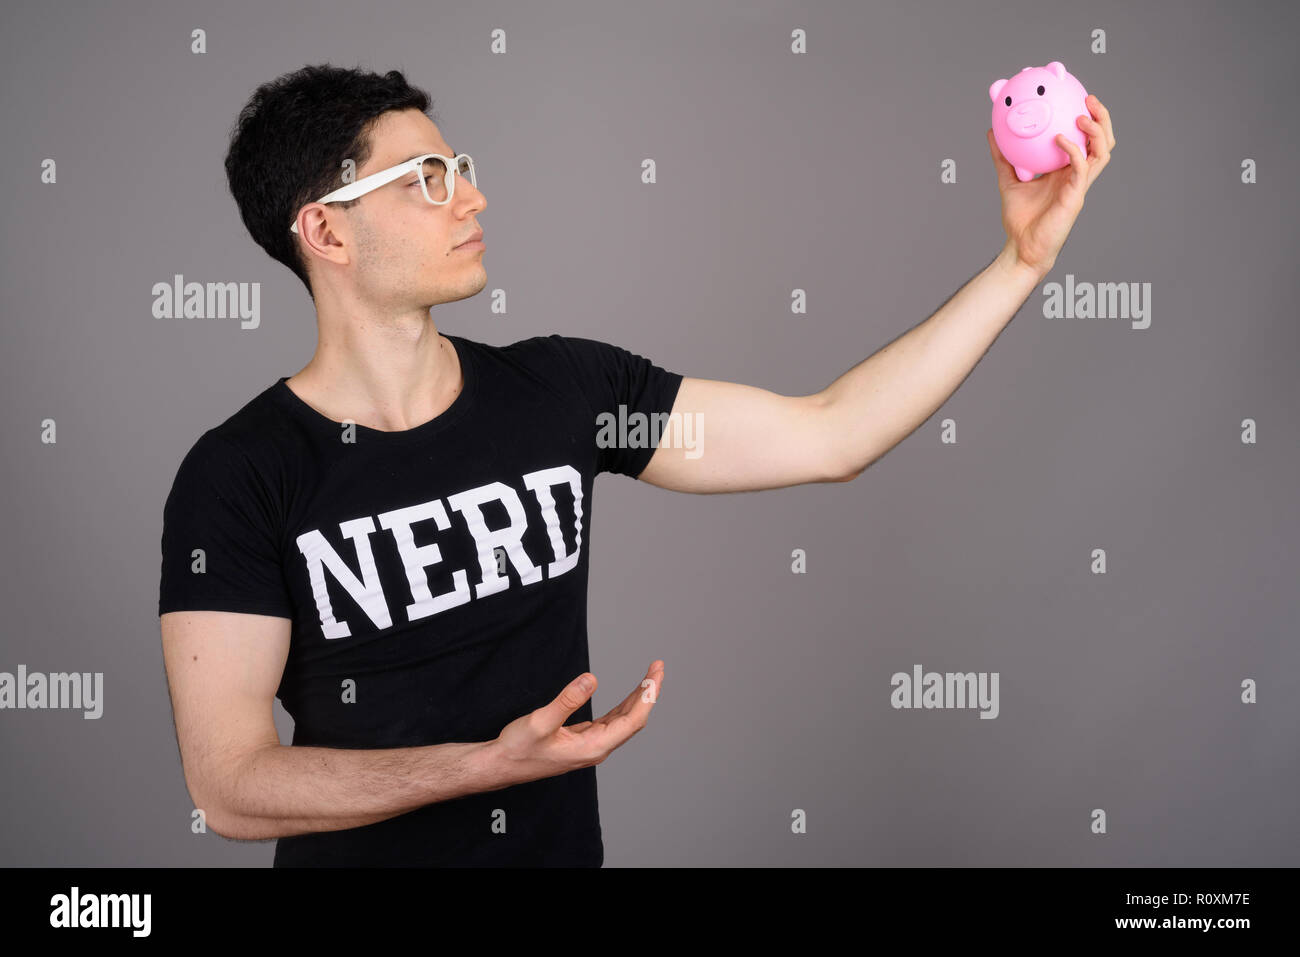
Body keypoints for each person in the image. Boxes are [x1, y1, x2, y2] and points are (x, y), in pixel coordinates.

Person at [158, 63, 1114, 866]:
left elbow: (832, 432)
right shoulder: (239, 476)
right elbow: (232, 787)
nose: (473, 196)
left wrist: (1022, 262)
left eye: (462, 167)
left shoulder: (567, 392)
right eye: (428, 179)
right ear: (326, 232)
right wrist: (482, 765)